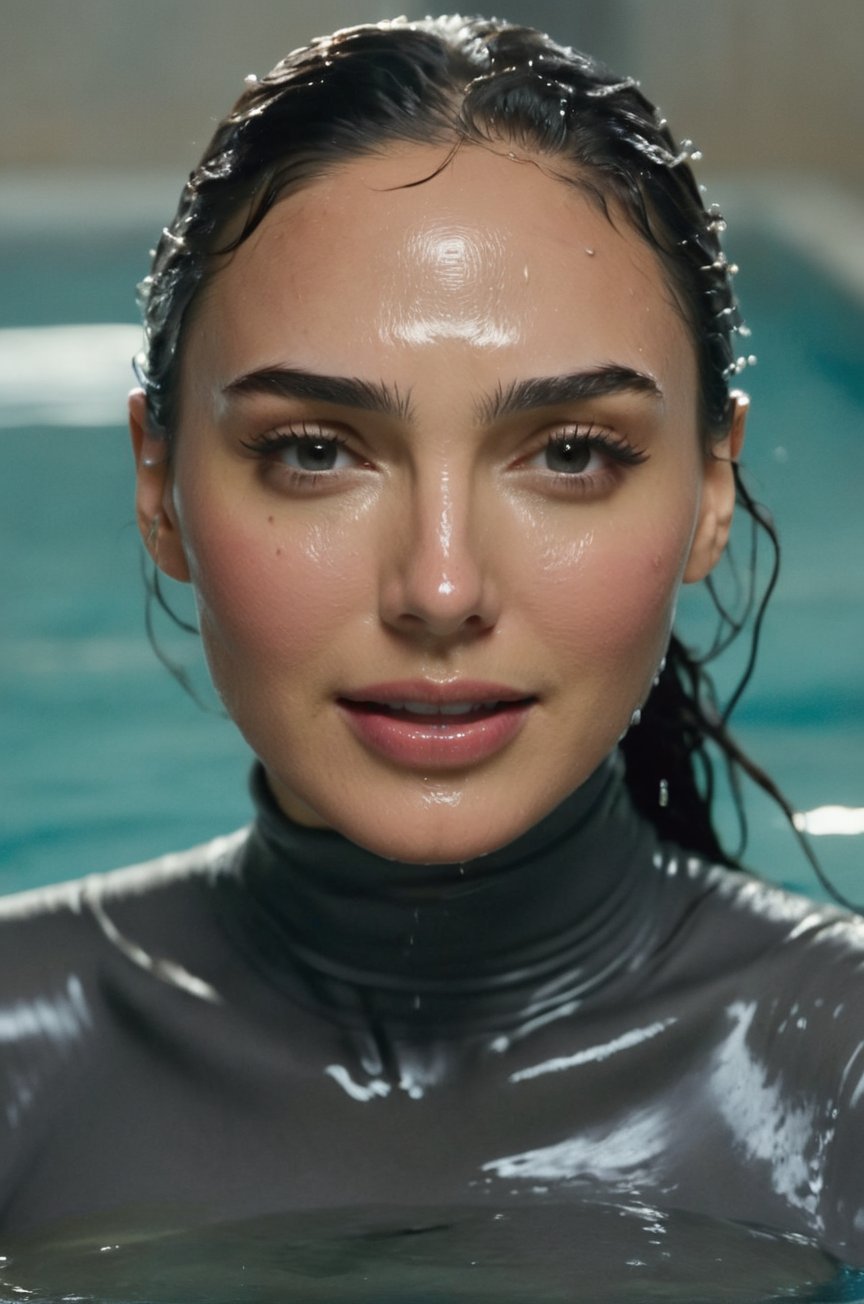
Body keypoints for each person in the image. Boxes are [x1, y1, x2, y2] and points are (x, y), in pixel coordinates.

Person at [1, 13, 862, 1272]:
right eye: (315, 451)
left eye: (571, 453)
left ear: (711, 494)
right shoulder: (20, 1050)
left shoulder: (838, 1078)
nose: (443, 585)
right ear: (157, 482)